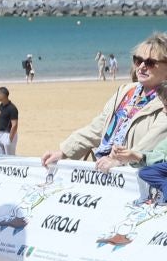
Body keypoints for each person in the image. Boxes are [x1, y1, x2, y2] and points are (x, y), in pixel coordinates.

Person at [44, 33, 167, 169]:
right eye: (138, 60)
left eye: (150, 63)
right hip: (102, 168)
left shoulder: (164, 102)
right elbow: (98, 127)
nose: (142, 66)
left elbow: (148, 145)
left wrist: (118, 161)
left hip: (131, 178)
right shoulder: (126, 91)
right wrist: (64, 152)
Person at [0, 86, 20, 156]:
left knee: (10, 156)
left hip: (8, 134)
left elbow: (14, 125)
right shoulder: (0, 106)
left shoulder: (12, 108)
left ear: (3, 95)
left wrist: (10, 139)